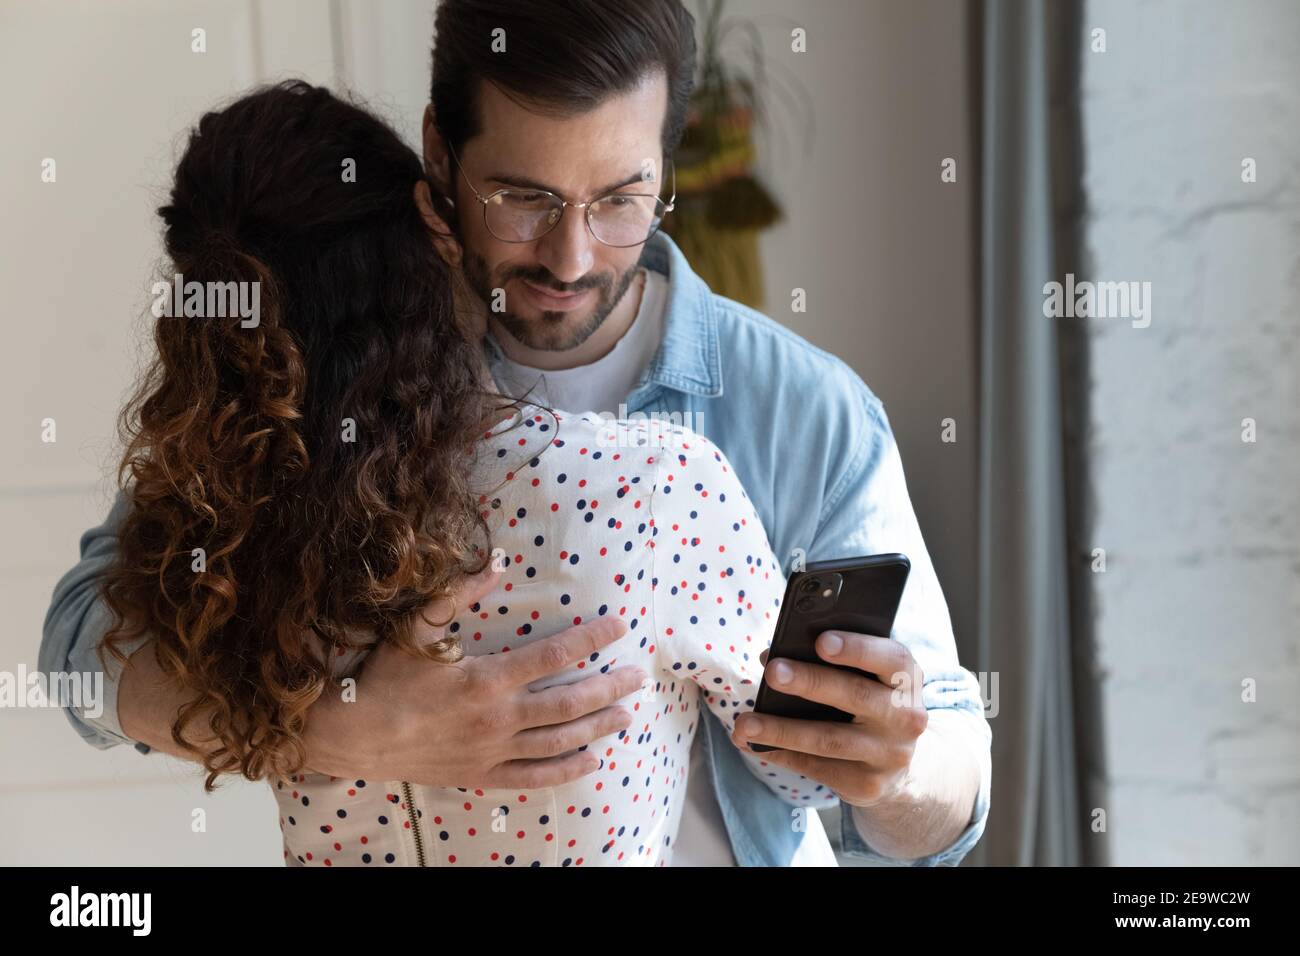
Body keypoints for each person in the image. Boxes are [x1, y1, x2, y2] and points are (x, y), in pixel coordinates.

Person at [41, 0, 991, 866]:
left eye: (621, 199)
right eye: (525, 197)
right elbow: (81, 650)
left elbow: (949, 801)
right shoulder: (321, 375)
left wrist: (897, 770)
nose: (572, 258)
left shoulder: (805, 410)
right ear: (438, 159)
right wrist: (341, 727)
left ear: (666, 166)